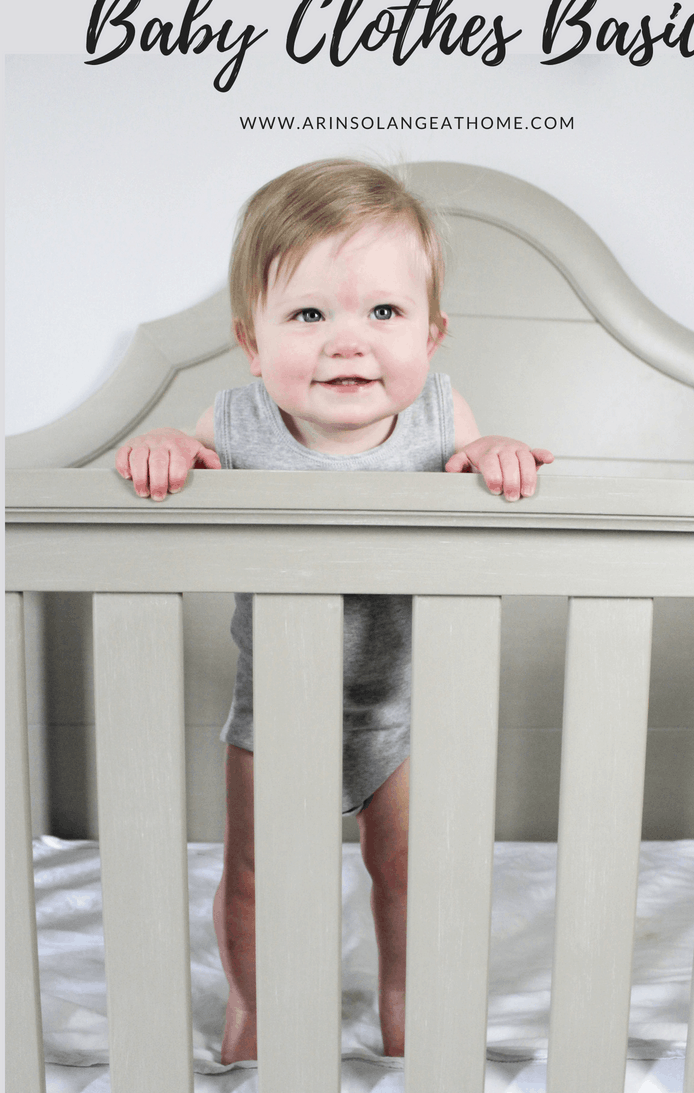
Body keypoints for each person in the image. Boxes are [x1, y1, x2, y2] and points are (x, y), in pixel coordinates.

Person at [116, 158, 553, 1062]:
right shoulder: (234, 426)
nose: (346, 341)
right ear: (252, 342)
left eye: (383, 314)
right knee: (251, 878)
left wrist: (495, 451)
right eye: (309, 314)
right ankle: (253, 1009)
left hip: (397, 714)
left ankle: (403, 999)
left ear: (432, 336)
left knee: (403, 871)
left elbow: (479, 458)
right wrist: (164, 446)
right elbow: (179, 456)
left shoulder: (440, 417)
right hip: (270, 714)